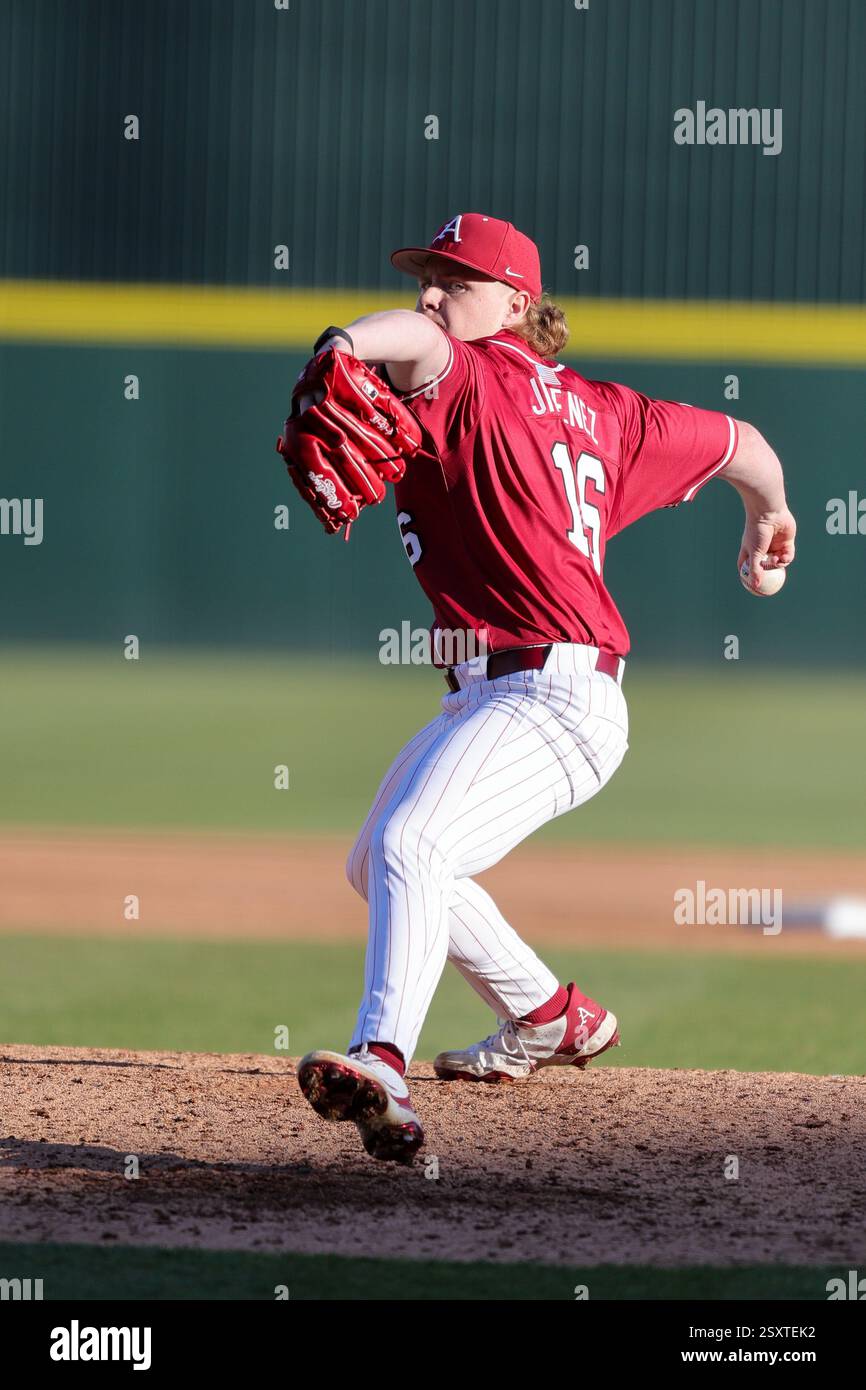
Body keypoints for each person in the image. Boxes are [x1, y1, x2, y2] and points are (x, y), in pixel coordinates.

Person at [296, 213, 796, 1163]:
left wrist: (343, 342)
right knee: (381, 863)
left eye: (456, 280)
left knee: (413, 843)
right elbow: (743, 440)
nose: (432, 296)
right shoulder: (610, 412)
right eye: (425, 278)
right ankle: (550, 1015)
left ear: (518, 304)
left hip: (553, 690)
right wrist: (769, 516)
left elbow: (413, 341)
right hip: (506, 693)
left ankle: (382, 1060)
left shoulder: (463, 370)